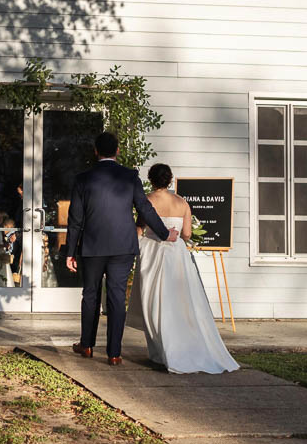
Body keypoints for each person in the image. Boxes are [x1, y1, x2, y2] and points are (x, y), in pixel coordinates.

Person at [66, 131, 178, 365]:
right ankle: (114, 353)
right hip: (122, 246)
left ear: (96, 151)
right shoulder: (129, 176)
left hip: (92, 246)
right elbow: (145, 209)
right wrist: (165, 233)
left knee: (90, 295)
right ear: (117, 151)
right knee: (117, 296)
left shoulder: (83, 178)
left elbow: (75, 219)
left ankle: (86, 346)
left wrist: (70, 252)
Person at [135, 163, 239, 374]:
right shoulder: (182, 203)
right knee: (179, 300)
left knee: (153, 300)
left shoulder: (147, 200)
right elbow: (187, 235)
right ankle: (177, 346)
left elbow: (139, 229)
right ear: (170, 179)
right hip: (176, 255)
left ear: (151, 179)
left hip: (152, 253)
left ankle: (158, 351)